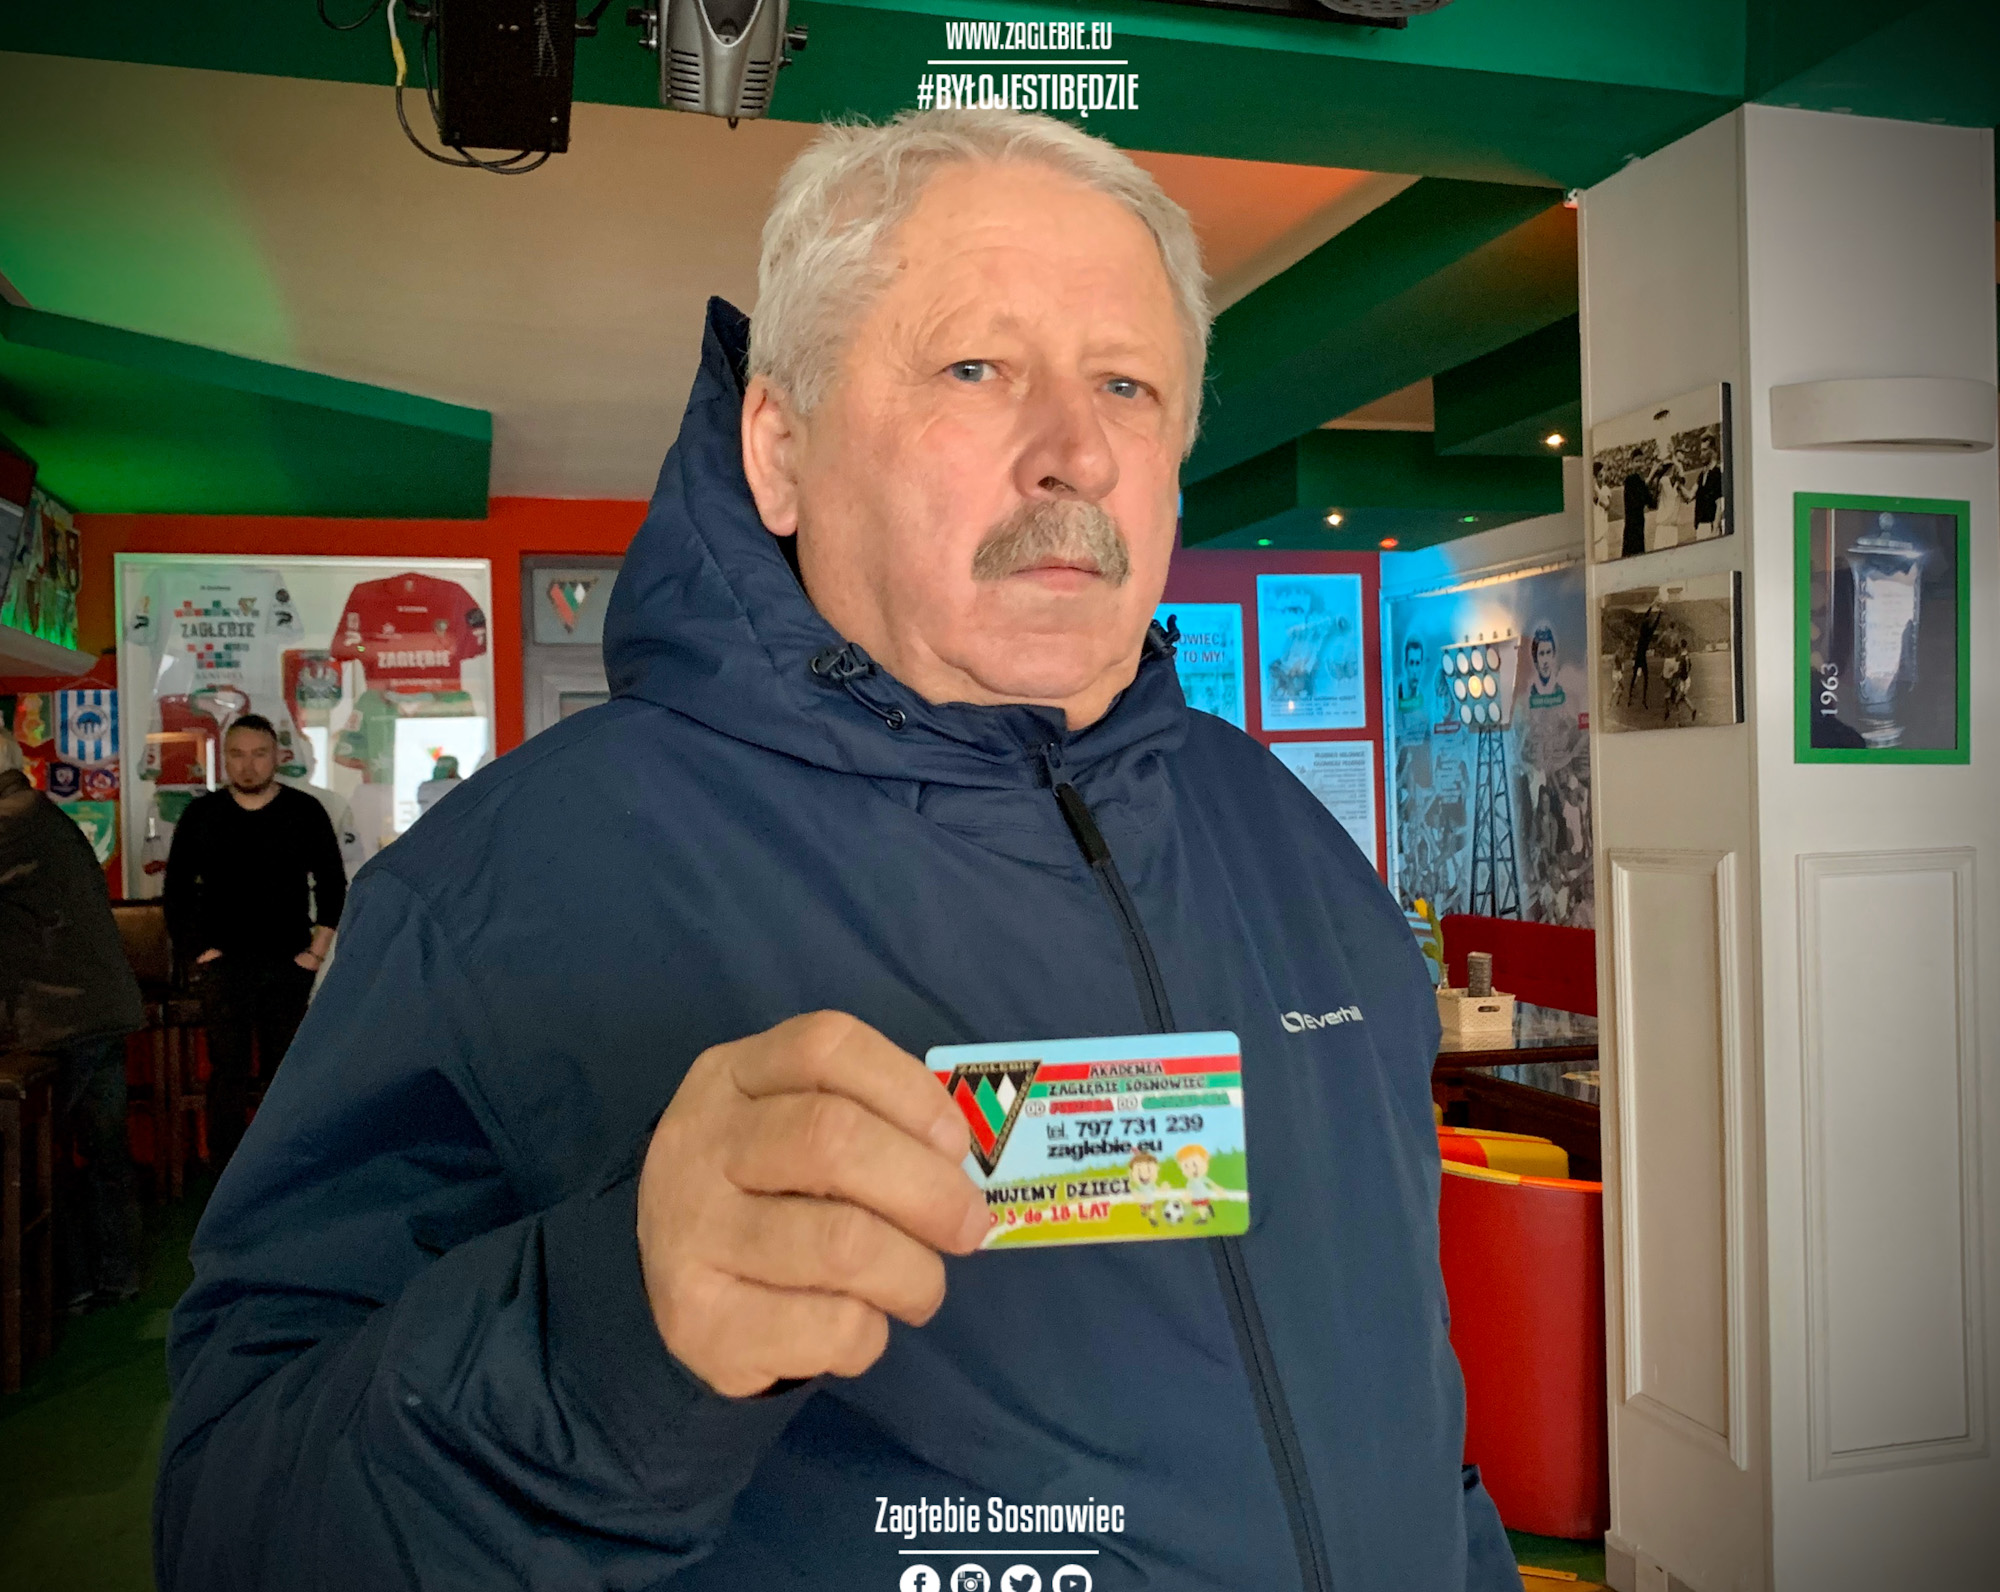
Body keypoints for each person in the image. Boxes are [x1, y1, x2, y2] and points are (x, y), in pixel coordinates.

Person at [157, 110, 1518, 1591]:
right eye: (975, 367)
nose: (1075, 452)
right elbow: (236, 1526)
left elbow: (1398, 1392)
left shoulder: (1292, 844)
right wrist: (603, 1338)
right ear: (781, 451)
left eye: (1127, 384)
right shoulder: (499, 894)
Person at [162, 713, 345, 1173]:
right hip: (224, 965)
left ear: (278, 756)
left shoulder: (304, 812)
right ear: (224, 759)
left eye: (259, 754)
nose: (248, 765)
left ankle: (287, 1171)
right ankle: (227, 1176)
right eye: (238, 755)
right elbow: (177, 892)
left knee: (288, 1074)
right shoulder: (202, 815)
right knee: (227, 1072)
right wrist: (201, 952)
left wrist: (315, 954)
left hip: (289, 962)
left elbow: (333, 888)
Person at [0, 728, 144, 1309]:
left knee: (40, 1156)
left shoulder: (9, 820)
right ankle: (115, 1275)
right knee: (103, 1153)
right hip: (99, 1006)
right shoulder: (36, 811)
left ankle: (69, 1284)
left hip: (56, 1015)